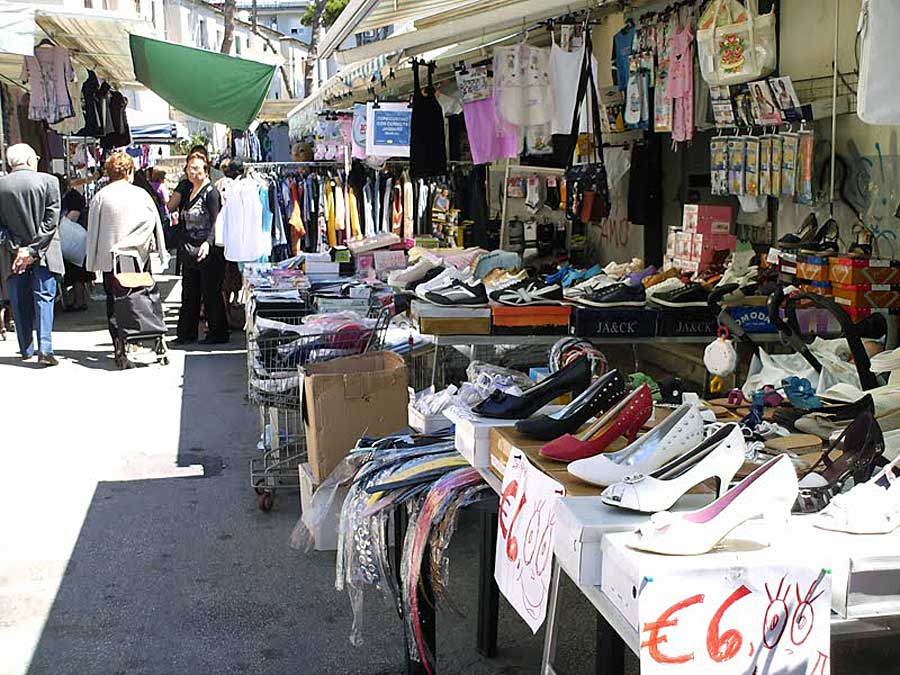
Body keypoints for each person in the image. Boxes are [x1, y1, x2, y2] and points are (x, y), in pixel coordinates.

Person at [86, 151, 168, 366]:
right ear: (129, 171)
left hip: (112, 259)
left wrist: (92, 261)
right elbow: (154, 223)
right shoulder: (141, 195)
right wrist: (157, 248)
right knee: (140, 296)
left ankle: (119, 344)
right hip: (137, 256)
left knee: (114, 301)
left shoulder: (101, 196)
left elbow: (93, 229)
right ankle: (142, 336)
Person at [0, 143, 62, 366]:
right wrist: (33, 250)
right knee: (44, 297)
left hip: (13, 255)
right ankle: (45, 348)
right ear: (29, 160)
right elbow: (51, 221)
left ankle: (25, 347)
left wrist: (17, 247)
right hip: (44, 252)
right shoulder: (49, 182)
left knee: (19, 300)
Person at [168, 151, 228, 345]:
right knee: (189, 293)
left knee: (210, 293)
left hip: (208, 251)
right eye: (190, 168)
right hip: (189, 251)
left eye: (197, 169)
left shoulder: (211, 193)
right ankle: (186, 333)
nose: (193, 173)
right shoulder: (187, 190)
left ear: (206, 170)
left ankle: (217, 333)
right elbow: (172, 208)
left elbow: (216, 221)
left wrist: (207, 243)